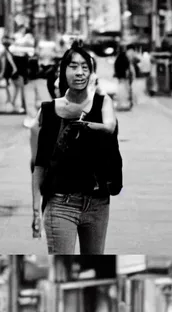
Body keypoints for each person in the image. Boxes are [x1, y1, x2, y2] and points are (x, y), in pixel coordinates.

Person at [29, 43, 118, 253]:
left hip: (98, 204)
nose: (79, 72)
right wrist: (35, 210)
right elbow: (39, 165)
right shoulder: (49, 111)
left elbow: (109, 127)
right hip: (61, 203)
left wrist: (91, 99)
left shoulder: (103, 104)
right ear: (63, 71)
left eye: (85, 67)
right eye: (73, 66)